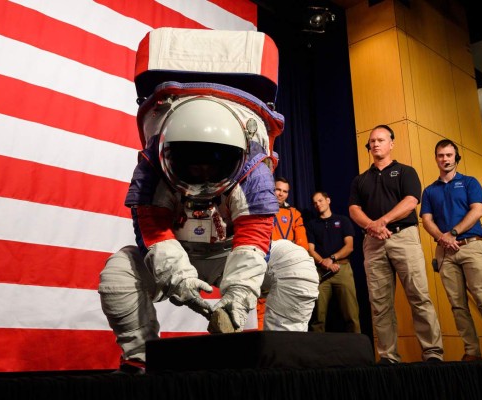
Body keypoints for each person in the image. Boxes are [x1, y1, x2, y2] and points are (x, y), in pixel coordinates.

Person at [98, 28, 319, 375]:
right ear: (169, 151)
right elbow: (153, 232)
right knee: (119, 273)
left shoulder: (253, 167)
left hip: (231, 254)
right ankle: (139, 358)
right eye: (191, 160)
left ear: (235, 154)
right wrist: (180, 278)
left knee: (296, 265)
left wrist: (239, 296)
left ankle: (281, 353)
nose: (201, 170)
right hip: (176, 254)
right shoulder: (153, 164)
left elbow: (254, 238)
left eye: (212, 159)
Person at [348, 124, 444, 364]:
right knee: (379, 303)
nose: (376, 144)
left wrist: (382, 221)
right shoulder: (360, 180)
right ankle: (388, 356)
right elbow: (353, 209)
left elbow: (411, 201)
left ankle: (432, 352)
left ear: (391, 143)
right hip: (373, 242)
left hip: (404, 238)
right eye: (372, 141)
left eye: (381, 140)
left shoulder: (405, 171)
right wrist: (372, 226)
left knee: (419, 295)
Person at [420, 139, 482, 361]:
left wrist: (453, 233)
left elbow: (477, 211)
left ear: (456, 158)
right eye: (441, 155)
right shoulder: (430, 190)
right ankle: (472, 352)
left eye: (449, 155)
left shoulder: (470, 182)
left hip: (471, 246)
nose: (445, 159)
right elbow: (426, 219)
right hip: (445, 252)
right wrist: (442, 238)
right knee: (457, 305)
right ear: (436, 158)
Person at [256, 177, 309, 330]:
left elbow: (302, 244)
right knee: (262, 303)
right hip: (265, 262)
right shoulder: (261, 209)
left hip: (287, 266)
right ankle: (261, 341)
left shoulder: (294, 213)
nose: (281, 194)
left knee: (290, 306)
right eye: (278, 190)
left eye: (285, 191)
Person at [306, 191, 360, 333]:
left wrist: (332, 258)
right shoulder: (312, 225)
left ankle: (357, 352)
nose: (318, 204)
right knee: (318, 317)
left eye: (320, 200)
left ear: (328, 200)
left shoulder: (343, 220)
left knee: (351, 315)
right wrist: (324, 262)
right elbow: (310, 249)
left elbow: (349, 246)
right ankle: (317, 354)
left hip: (342, 269)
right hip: (320, 272)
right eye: (315, 203)